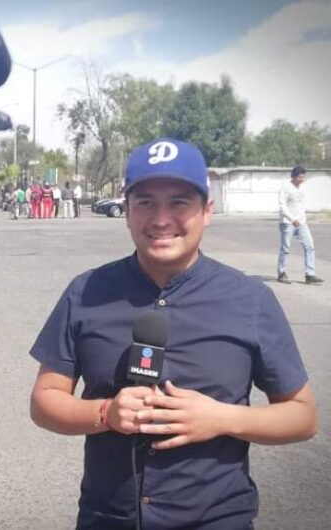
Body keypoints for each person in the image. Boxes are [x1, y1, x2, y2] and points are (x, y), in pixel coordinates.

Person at [29, 138, 317, 530]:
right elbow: (45, 400)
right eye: (146, 202)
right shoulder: (86, 292)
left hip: (216, 519)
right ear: (127, 211)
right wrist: (105, 413)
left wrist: (222, 418)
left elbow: (302, 416)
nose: (161, 219)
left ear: (207, 211)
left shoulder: (250, 300)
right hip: (107, 518)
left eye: (179, 203)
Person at [277, 166, 323, 284]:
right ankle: (282, 273)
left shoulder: (302, 187)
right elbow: (282, 205)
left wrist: (302, 219)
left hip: (301, 223)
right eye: (299, 177)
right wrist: (292, 219)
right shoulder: (285, 187)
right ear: (293, 176)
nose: (301, 180)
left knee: (309, 246)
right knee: (285, 248)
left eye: (303, 177)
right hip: (287, 223)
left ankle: (310, 274)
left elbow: (301, 205)